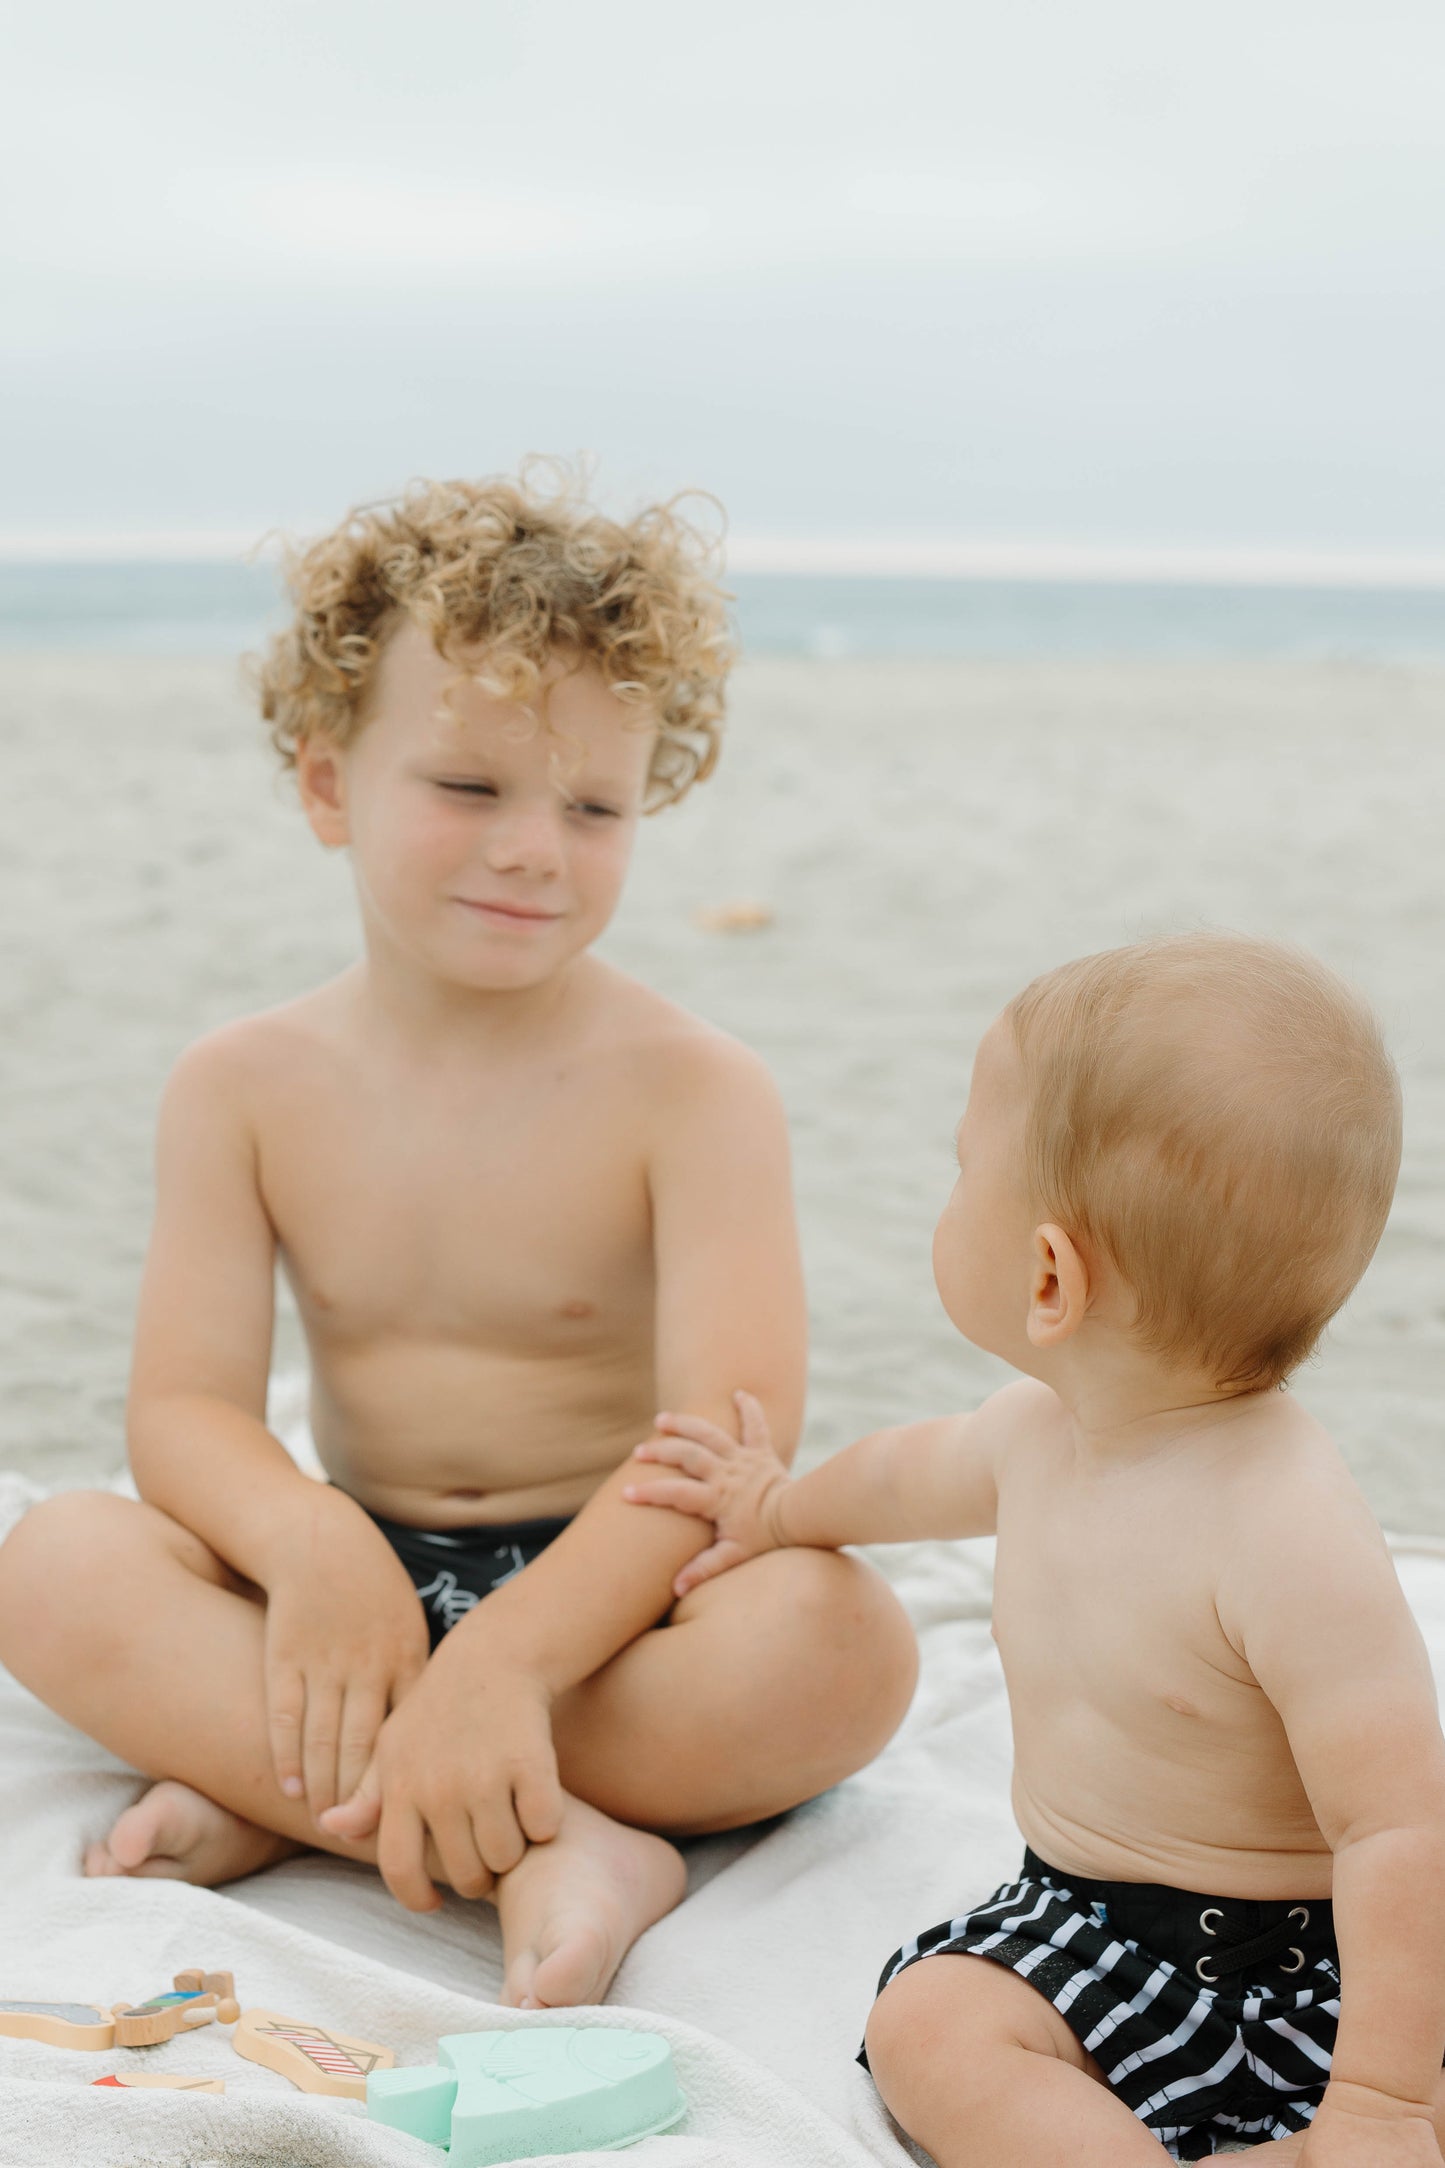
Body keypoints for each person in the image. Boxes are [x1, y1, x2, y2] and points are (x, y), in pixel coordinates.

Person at [0, 469, 917, 2011]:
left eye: (594, 806)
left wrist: (510, 1662)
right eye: (471, 787)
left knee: (841, 1643)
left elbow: (721, 1451)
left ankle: (303, 1793)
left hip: (617, 1604)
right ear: (327, 787)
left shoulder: (694, 1094)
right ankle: (570, 1840)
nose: (534, 850)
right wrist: (309, 1543)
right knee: (50, 1567)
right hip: (356, 1570)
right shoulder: (240, 1086)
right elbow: (186, 1414)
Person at [624, 933, 1445, 2162]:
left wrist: (1383, 2102)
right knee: (932, 2021)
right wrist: (775, 1508)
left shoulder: (1287, 1525)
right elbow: (903, 1473)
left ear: (1049, 1276)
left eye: (962, 1170)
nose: (945, 1193)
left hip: (1328, 1967)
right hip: (1088, 1927)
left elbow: (1399, 1828)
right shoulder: (1033, 1433)